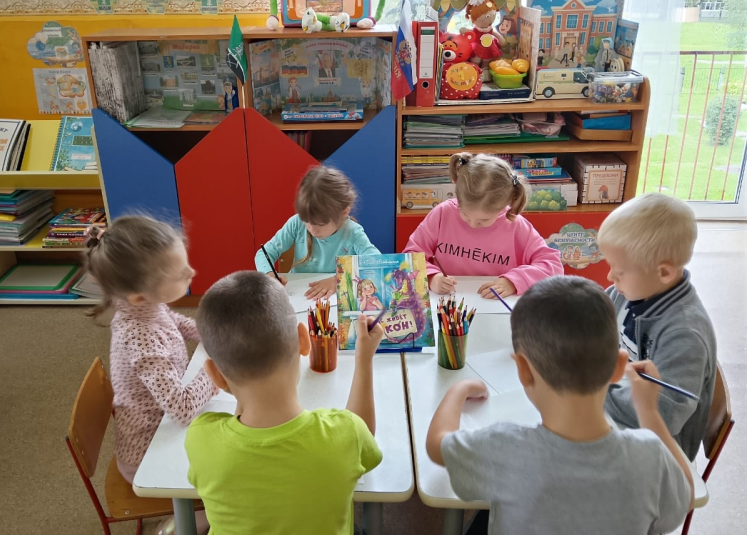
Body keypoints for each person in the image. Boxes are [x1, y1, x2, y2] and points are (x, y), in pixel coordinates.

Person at [427, 276, 693, 535]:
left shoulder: (505, 448)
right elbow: (685, 496)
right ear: (619, 366)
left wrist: (458, 389)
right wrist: (649, 410)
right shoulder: (650, 457)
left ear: (523, 370)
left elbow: (437, 446)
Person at [185, 271, 384, 535]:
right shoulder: (346, 433)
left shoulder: (200, 438)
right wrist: (364, 359)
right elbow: (364, 436)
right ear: (304, 340)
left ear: (215, 375)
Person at [84, 216, 217, 535]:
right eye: (180, 273)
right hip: (148, 455)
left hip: (164, 428)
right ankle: (181, 526)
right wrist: (217, 370)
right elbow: (183, 408)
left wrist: (212, 332)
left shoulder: (143, 306)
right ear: (140, 296)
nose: (192, 273)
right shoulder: (140, 337)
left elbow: (174, 322)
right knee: (238, 475)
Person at [597, 193, 717, 460]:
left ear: (664, 272)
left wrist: (590, 389)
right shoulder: (630, 290)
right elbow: (592, 315)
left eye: (619, 270)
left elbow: (665, 414)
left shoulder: (685, 334)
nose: (610, 276)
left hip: (660, 451)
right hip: (619, 408)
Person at [404, 153, 562, 299]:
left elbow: (553, 267)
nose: (473, 224)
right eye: (465, 215)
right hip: (446, 303)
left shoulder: (515, 224)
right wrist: (431, 277)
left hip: (497, 306)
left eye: (484, 220)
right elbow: (410, 256)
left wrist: (513, 281)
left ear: (503, 206)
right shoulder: (442, 213)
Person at [255, 166, 380, 300]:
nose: (312, 229)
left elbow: (377, 264)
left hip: (335, 299)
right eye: (306, 221)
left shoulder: (353, 233)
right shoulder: (296, 223)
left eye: (320, 224)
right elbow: (264, 253)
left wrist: (338, 279)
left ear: (343, 213)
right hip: (299, 296)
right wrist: (269, 275)